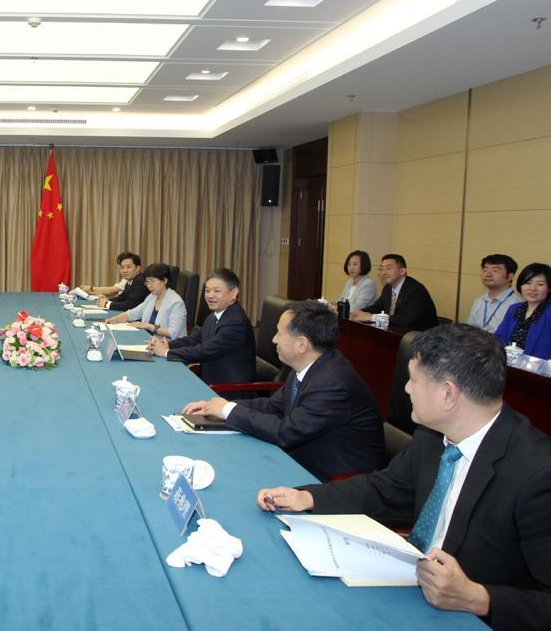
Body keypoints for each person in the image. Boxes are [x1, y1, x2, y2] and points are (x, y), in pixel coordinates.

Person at [256, 324, 551, 630]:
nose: (406, 389)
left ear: (448, 393)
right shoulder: (432, 436)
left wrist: (480, 598)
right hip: (412, 591)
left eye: (413, 380)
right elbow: (385, 488)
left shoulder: (537, 474)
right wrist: (308, 497)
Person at [182, 301, 384, 480]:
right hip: (302, 457)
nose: (273, 340)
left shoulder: (332, 382)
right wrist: (219, 406)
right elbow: (273, 405)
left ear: (302, 344)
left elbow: (286, 431)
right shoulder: (310, 365)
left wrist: (228, 411)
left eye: (279, 333)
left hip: (333, 478)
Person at [148, 268, 255, 388]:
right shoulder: (215, 315)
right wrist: (168, 345)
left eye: (217, 291)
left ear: (234, 293)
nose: (210, 296)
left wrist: (166, 352)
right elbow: (193, 339)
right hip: (209, 380)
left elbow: (205, 350)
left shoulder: (236, 322)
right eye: (207, 291)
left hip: (228, 390)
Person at [351, 254, 439, 330]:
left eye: (388, 268)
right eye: (381, 269)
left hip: (421, 338)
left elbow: (405, 320)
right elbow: (377, 307)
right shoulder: (388, 288)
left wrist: (372, 317)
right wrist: (359, 312)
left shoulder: (416, 290)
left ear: (402, 271)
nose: (383, 273)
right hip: (397, 333)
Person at [105, 262, 187, 339]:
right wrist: (112, 320)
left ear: (165, 281)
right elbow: (132, 314)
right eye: (147, 282)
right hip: (149, 340)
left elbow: (173, 333)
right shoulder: (152, 297)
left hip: (169, 347)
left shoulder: (176, 302)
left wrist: (148, 326)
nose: (149, 285)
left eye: (153, 281)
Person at [494, 262, 551, 359]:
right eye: (528, 283)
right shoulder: (514, 308)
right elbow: (499, 338)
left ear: (549, 288)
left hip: (540, 372)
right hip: (509, 366)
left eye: (540, 284)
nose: (532, 288)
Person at [467, 254, 518, 333]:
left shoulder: (517, 304)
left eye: (495, 270)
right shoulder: (479, 300)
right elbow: (468, 329)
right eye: (485, 270)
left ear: (510, 276)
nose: (488, 274)